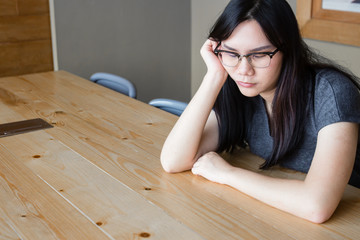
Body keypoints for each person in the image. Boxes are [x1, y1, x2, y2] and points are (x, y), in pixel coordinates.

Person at [160, 0, 360, 223]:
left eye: (259, 55)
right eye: (231, 53)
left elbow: (317, 205)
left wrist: (227, 174)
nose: (244, 70)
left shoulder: (331, 92)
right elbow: (173, 161)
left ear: (286, 50)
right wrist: (214, 76)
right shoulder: (239, 89)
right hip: (279, 217)